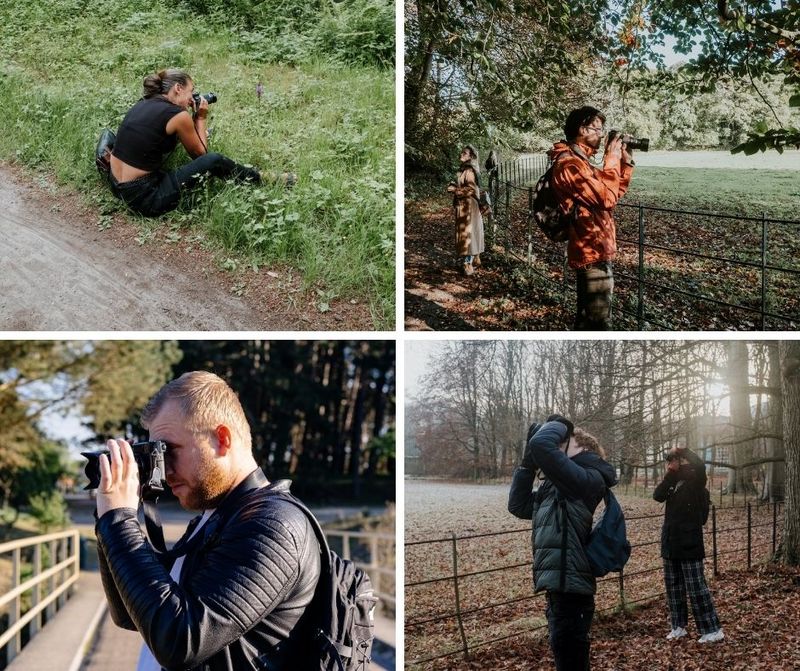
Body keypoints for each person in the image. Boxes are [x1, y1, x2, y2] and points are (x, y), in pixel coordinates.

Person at [93, 371, 321, 670]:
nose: (165, 470)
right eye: (156, 454)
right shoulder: (214, 518)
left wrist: (118, 520)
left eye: (169, 451)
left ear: (222, 439)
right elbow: (128, 613)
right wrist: (107, 519)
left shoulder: (273, 524)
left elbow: (179, 642)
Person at [508, 416, 617, 671]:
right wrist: (527, 463)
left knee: (571, 662)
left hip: (573, 589)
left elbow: (543, 446)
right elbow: (518, 505)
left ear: (585, 449)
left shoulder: (589, 479)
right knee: (567, 659)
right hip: (559, 587)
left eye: (567, 443)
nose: (560, 446)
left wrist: (560, 425)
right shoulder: (556, 488)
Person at [110, 68, 295, 217]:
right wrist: (200, 118)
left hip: (117, 186)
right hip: (144, 198)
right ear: (177, 89)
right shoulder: (178, 115)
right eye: (191, 91)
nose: (193, 97)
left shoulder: (143, 103)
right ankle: (263, 179)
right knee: (214, 160)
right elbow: (202, 155)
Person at [549, 106, 635, 330]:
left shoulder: (583, 164)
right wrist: (612, 159)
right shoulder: (569, 165)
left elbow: (614, 191)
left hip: (598, 251)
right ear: (581, 129)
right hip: (590, 254)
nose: (601, 134)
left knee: (589, 323)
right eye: (597, 128)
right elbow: (607, 199)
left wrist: (625, 162)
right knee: (597, 327)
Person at [653, 446, 724, 644]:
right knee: (673, 587)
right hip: (671, 542)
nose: (672, 463)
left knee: (696, 588)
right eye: (671, 461)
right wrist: (670, 474)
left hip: (690, 543)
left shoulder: (696, 481)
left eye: (676, 460)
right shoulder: (672, 481)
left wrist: (685, 450)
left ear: (685, 461)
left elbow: (700, 465)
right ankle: (678, 626)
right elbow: (657, 496)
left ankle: (712, 629)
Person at [447, 144, 485, 276]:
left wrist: (455, 190)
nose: (461, 154)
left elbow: (471, 189)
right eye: (461, 152)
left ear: (471, 156)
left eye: (464, 153)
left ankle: (467, 264)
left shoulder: (469, 170)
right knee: (471, 232)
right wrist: (454, 185)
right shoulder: (464, 169)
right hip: (465, 206)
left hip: (468, 206)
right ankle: (475, 257)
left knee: (467, 234)